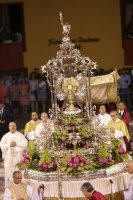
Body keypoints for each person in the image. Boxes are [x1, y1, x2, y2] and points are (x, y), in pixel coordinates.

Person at [0, 122, 28, 186]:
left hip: (18, 156)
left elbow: (25, 144)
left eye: (14, 126)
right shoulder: (5, 136)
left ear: (16, 127)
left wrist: (17, 144)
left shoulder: (20, 135)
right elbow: (2, 145)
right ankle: (9, 186)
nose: (12, 127)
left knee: (18, 171)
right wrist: (9, 145)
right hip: (8, 157)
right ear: (9, 127)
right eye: (11, 126)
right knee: (8, 172)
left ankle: (19, 185)